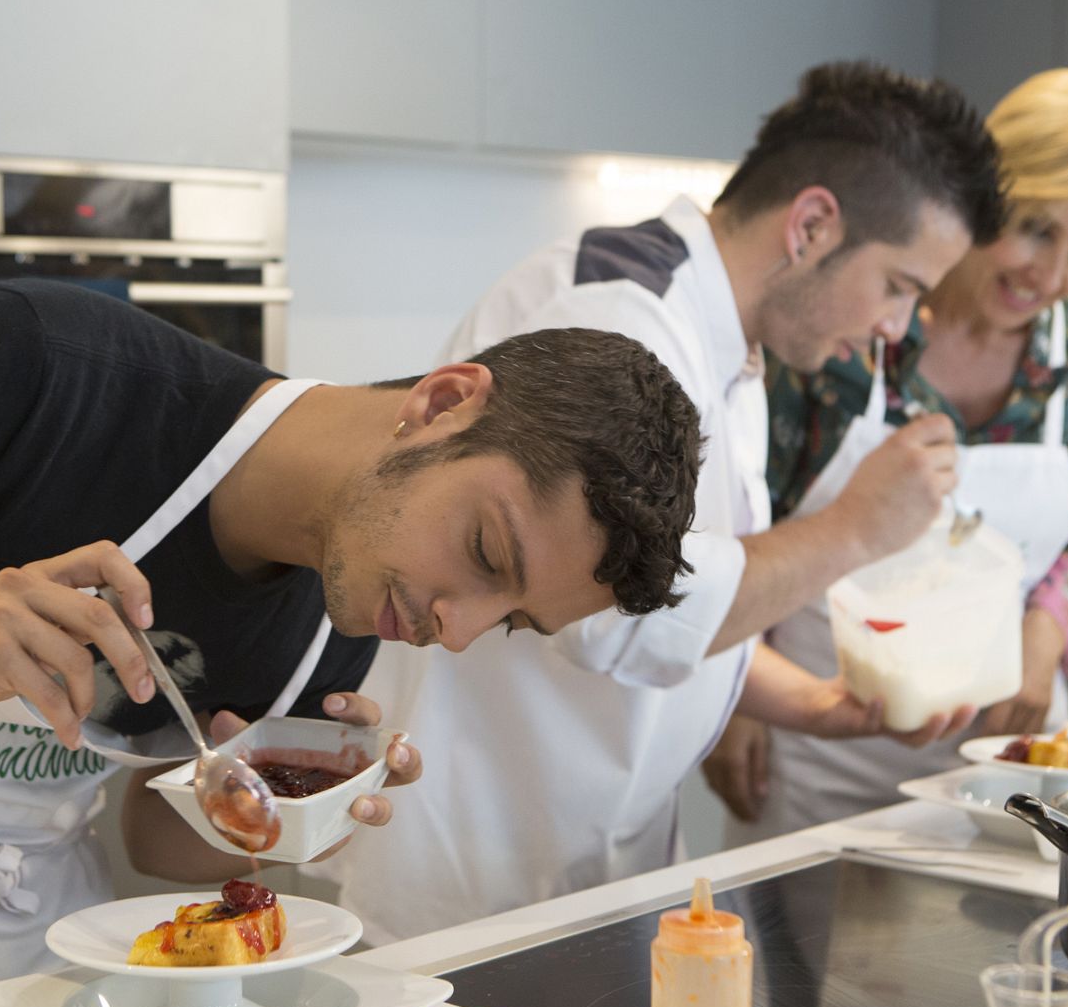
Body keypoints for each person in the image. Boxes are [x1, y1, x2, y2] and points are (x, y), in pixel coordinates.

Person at [0, 278, 703, 1007]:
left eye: (510, 619)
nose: (456, 630)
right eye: (484, 556)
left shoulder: (337, 621)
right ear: (436, 404)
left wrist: (263, 813)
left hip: (32, 933)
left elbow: (150, 835)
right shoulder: (28, 365)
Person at [309, 61, 1006, 945]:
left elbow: (681, 602)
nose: (896, 328)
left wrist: (816, 705)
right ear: (814, 225)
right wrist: (857, 527)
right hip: (475, 871)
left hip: (586, 864)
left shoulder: (730, 349)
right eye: (900, 285)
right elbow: (627, 612)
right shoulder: (618, 315)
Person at [709, 67, 1068, 840]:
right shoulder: (845, 321)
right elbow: (752, 519)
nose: (1051, 276)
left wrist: (1043, 639)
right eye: (1035, 226)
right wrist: (731, 697)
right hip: (819, 731)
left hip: (1008, 746)